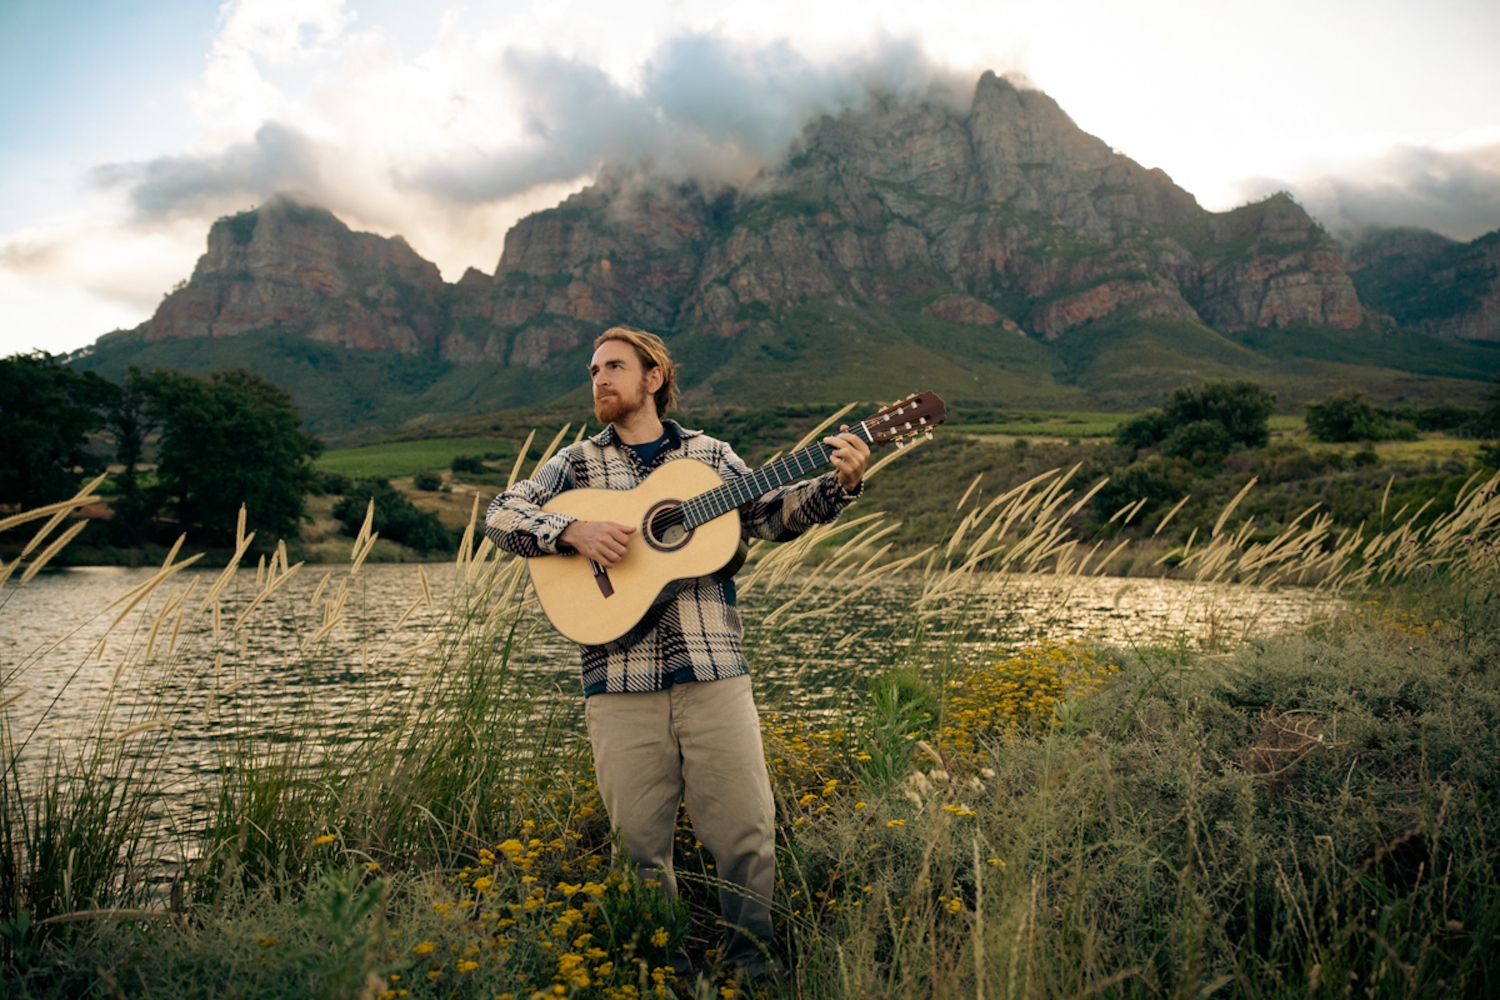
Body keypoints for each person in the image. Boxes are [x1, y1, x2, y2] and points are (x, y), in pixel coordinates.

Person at [484, 325, 869, 979]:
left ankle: (752, 970)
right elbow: (502, 511)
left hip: (714, 671)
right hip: (617, 680)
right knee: (637, 848)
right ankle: (657, 971)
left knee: (746, 834)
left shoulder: (710, 457)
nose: (598, 379)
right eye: (592, 370)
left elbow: (772, 516)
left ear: (652, 378)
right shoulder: (576, 463)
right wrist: (571, 529)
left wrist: (838, 486)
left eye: (612, 367)